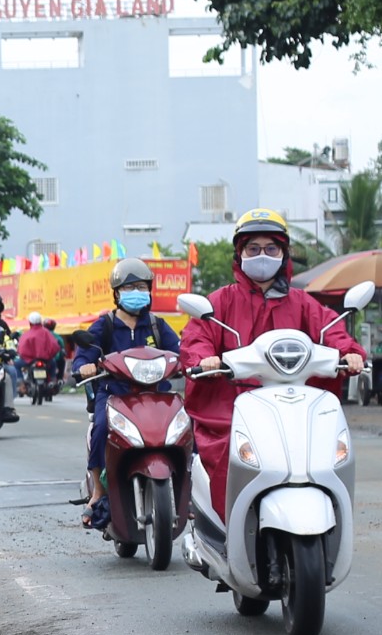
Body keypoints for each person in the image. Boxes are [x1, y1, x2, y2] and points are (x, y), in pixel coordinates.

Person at [176, 210, 365, 517]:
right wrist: (204, 359)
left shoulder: (302, 302)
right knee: (227, 453)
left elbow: (330, 329)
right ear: (240, 254)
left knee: (325, 452)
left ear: (283, 254)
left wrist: (348, 352)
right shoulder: (220, 301)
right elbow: (197, 336)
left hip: (295, 405)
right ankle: (226, 525)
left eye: (270, 249)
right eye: (253, 249)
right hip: (234, 407)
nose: (262, 255)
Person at [69, 259, 179, 529]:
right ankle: (98, 490)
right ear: (117, 293)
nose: (136, 291)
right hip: (114, 395)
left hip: (155, 394)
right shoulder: (104, 326)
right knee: (100, 428)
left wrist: (190, 361)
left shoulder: (156, 325)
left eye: (141, 286)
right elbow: (85, 353)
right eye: (129, 287)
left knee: (184, 426)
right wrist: (84, 365)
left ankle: (186, 489)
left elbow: (179, 351)